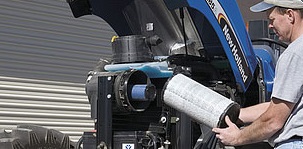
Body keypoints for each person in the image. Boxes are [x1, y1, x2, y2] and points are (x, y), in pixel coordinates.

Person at [212, 0, 303, 148]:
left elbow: (273, 120)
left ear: (290, 15)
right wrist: (236, 115)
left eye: (272, 19)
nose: (270, 25)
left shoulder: (294, 54)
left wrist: (238, 137)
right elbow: (280, 105)